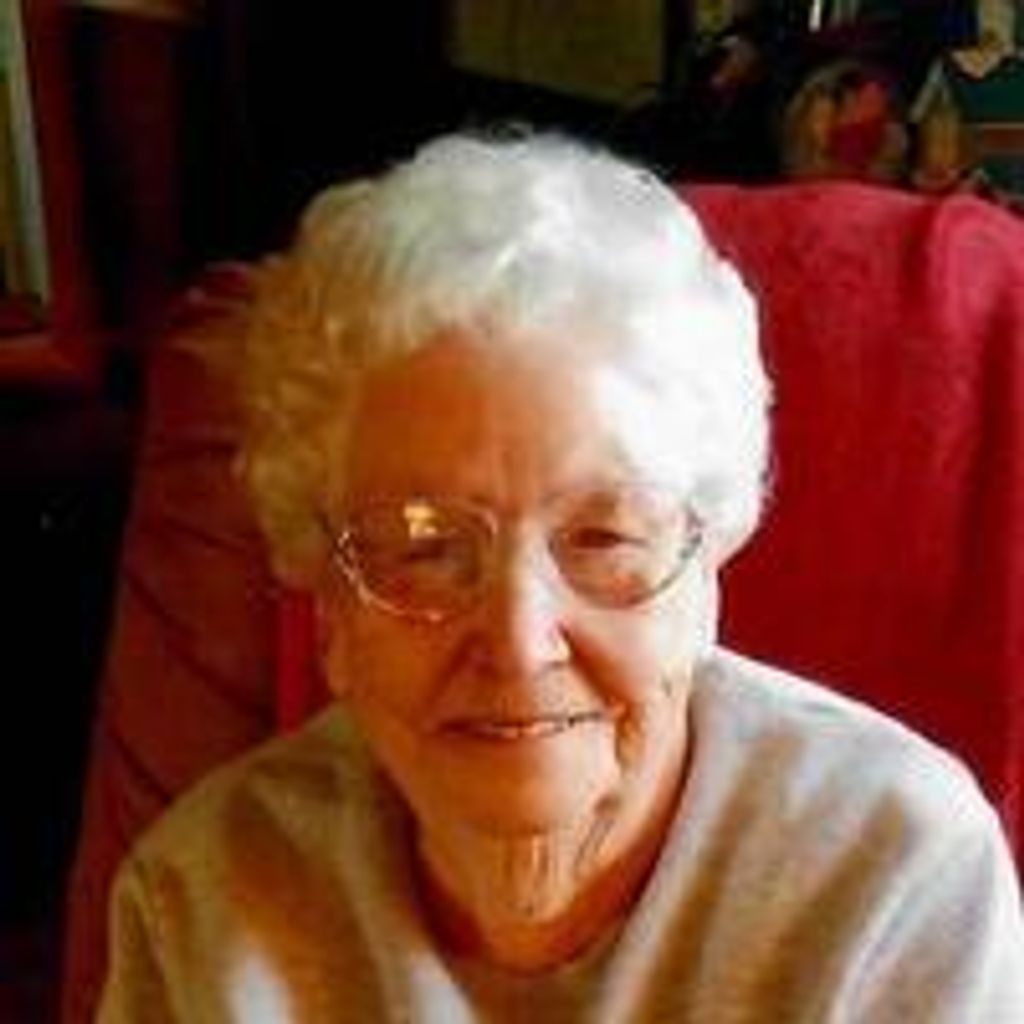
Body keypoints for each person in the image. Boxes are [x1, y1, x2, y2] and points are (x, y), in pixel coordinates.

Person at [97, 131, 1024, 1021]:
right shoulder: (205, 901)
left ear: (705, 576)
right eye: (425, 545)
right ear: (330, 609)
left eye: (602, 538)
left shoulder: (889, 877)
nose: (518, 641)